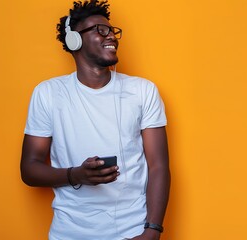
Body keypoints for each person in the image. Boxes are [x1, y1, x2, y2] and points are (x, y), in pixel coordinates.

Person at [20, 0, 170, 239]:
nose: (111, 35)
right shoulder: (48, 93)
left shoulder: (143, 91)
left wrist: (152, 230)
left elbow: (159, 166)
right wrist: (75, 175)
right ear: (75, 40)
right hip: (69, 232)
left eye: (112, 30)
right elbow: (29, 168)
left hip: (131, 231)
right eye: (100, 30)